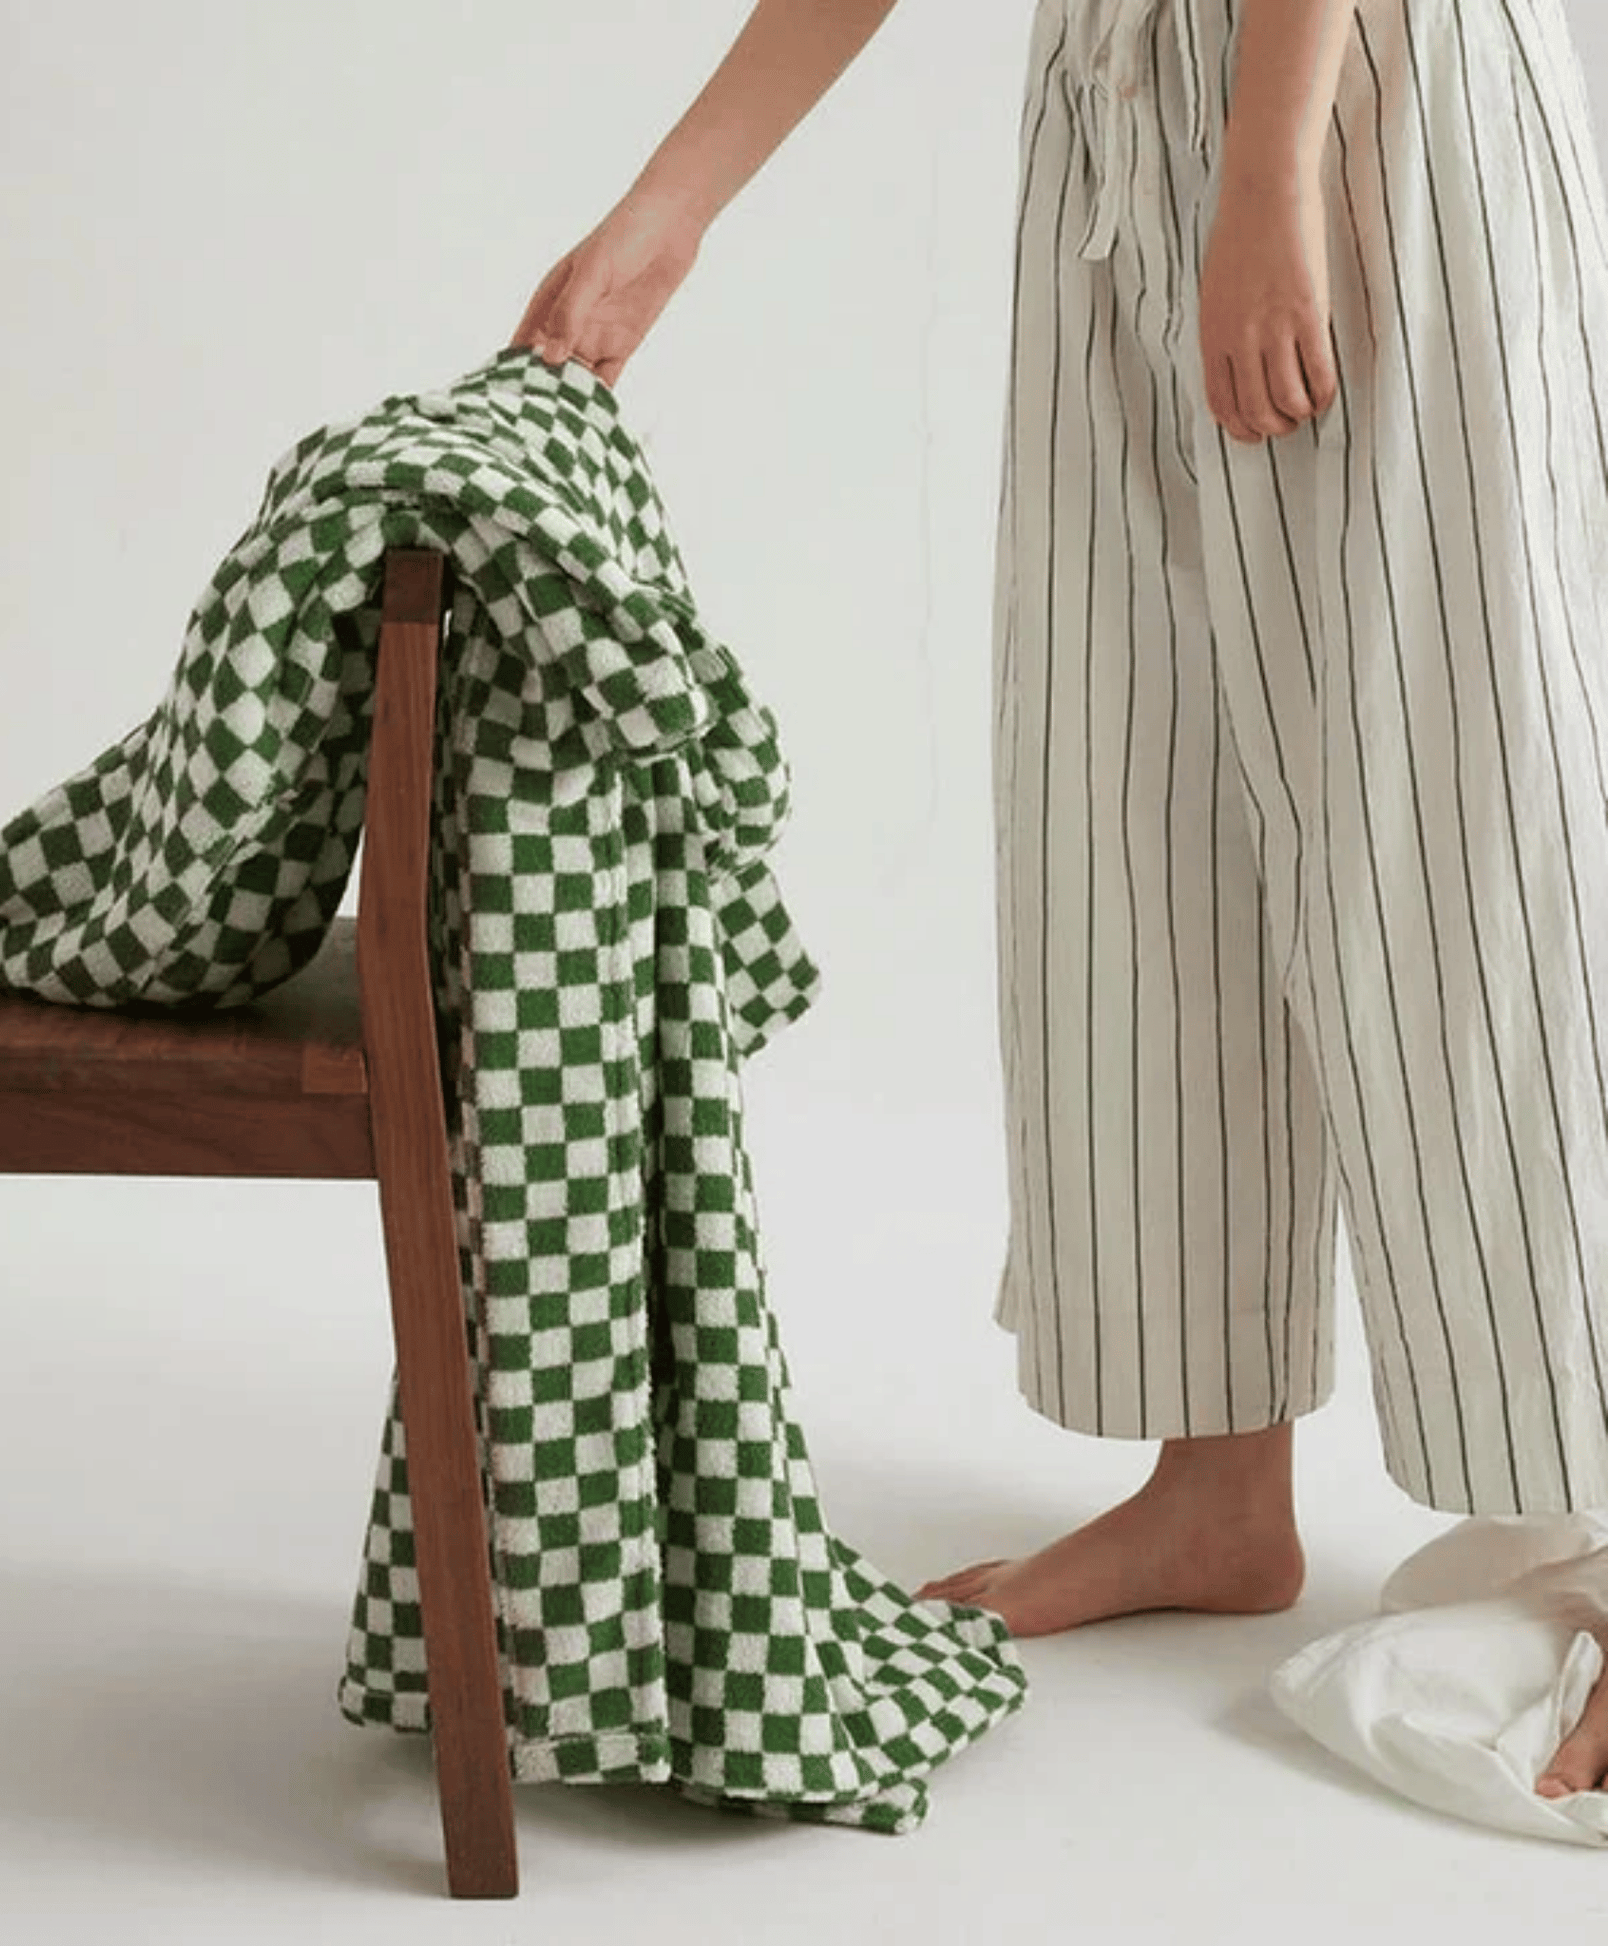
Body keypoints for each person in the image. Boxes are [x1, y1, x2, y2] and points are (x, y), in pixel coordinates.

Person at [509, 0, 1608, 1800]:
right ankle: (1213, 1483)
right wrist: (673, 206)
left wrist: (1266, 169)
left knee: (1477, 820)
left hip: (1371, 106)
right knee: (1133, 789)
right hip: (1123, 107)